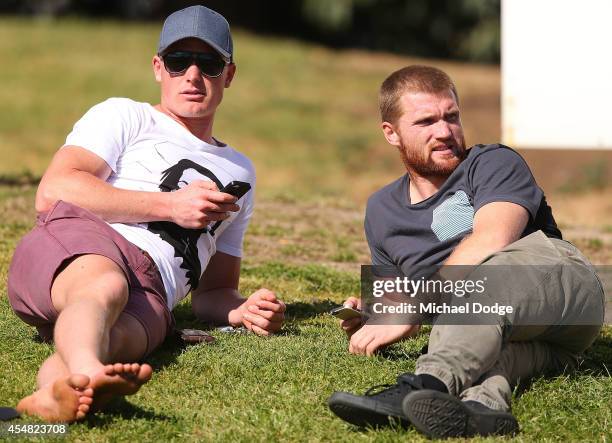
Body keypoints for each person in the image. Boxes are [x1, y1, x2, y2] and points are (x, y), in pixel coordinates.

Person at [7, 5, 285, 423]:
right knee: (104, 286)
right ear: (158, 68)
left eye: (208, 63)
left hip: (155, 291)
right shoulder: (126, 115)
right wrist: (171, 206)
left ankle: (52, 393)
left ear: (228, 75)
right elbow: (53, 190)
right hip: (90, 244)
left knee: (115, 338)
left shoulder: (241, 171)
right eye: (178, 62)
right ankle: (88, 371)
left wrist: (242, 310)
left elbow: (212, 293)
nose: (192, 75)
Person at [328, 65, 604, 438]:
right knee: (488, 350)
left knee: (480, 281)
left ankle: (426, 383)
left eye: (452, 117)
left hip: (562, 289)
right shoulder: (380, 210)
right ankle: (482, 408)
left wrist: (415, 305)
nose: (444, 131)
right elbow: (398, 305)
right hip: (534, 341)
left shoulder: (493, 162)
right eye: (426, 121)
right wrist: (375, 316)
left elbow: (492, 240)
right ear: (391, 133)